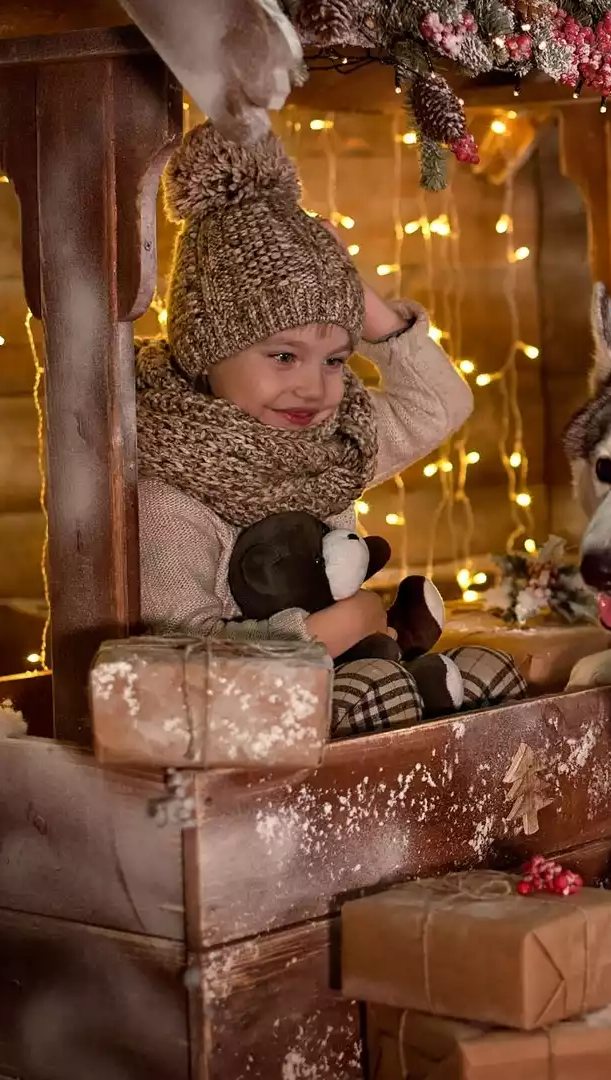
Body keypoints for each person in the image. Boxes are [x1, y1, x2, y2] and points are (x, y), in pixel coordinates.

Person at [135, 120, 524, 734]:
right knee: (382, 694)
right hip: (251, 734)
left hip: (357, 674)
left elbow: (440, 406)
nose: (316, 387)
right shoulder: (170, 494)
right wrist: (331, 628)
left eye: (336, 360)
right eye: (283, 356)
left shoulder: (331, 447)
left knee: (488, 675)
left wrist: (368, 310)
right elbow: (179, 653)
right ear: (205, 350)